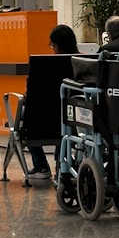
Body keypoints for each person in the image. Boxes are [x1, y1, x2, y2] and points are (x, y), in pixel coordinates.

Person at [27, 23, 78, 177]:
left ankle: (41, 165)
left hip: (43, 121)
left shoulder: (44, 66)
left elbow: (31, 93)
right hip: (75, 117)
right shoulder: (84, 62)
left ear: (57, 46)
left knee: (25, 114)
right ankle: (60, 158)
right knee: (63, 115)